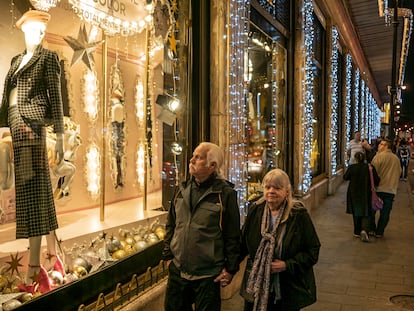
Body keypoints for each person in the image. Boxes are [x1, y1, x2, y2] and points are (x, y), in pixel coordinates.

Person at [0, 10, 65, 293]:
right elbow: (8, 100)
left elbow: (56, 97)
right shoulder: (15, 61)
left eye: (39, 29)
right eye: (30, 28)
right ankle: (55, 259)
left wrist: (60, 136)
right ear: (24, 30)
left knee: (32, 193)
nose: (35, 33)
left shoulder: (47, 58)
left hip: (33, 126)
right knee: (35, 192)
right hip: (15, 127)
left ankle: (34, 270)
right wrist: (4, 128)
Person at [162, 142, 241, 311]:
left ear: (212, 165)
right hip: (178, 271)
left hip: (208, 275)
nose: (192, 160)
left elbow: (233, 235)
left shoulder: (225, 195)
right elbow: (171, 224)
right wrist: (168, 256)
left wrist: (231, 269)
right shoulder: (181, 189)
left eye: (198, 157)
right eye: (193, 155)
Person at [240, 168, 320, 311]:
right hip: (256, 286)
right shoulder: (255, 210)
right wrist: (228, 269)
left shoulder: (298, 215)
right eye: (267, 187)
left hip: (287, 289)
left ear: (287, 192)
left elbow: (312, 251)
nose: (271, 191)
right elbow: (242, 244)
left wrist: (287, 265)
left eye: (277, 188)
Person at [343, 152, 379, 242]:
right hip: (367, 192)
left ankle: (357, 231)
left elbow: (345, 177)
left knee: (356, 211)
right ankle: (364, 229)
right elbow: (377, 180)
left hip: (354, 193)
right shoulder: (370, 167)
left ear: (355, 159)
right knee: (366, 211)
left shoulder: (352, 167)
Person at [371, 139, 401, 238]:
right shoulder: (396, 159)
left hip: (378, 189)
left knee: (373, 210)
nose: (379, 146)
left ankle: (372, 229)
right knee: (385, 212)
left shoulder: (378, 157)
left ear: (385, 146)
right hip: (390, 189)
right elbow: (399, 172)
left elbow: (373, 173)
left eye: (381, 144)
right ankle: (380, 231)